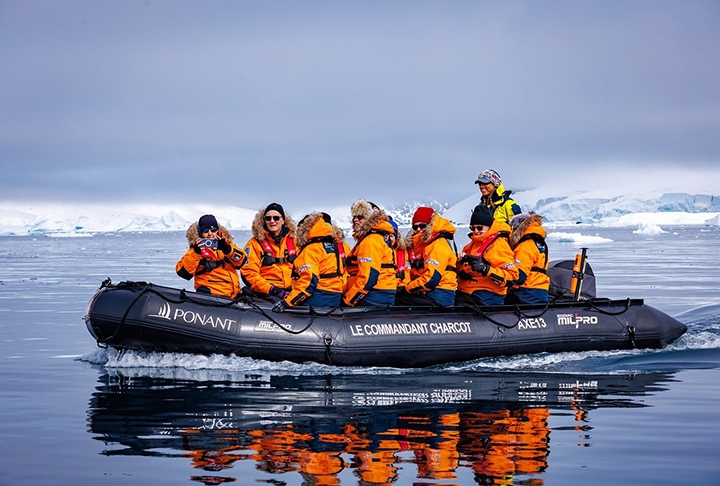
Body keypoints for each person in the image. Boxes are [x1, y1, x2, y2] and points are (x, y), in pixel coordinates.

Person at [272, 212, 345, 311]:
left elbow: (309, 281)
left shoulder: (311, 249)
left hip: (318, 298)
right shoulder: (332, 247)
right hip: (334, 297)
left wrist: (287, 302)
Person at [456, 205, 519, 306]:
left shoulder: (498, 245)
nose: (476, 231)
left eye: (479, 228)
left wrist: (486, 269)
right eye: (473, 228)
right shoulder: (469, 247)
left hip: (487, 295)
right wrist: (459, 264)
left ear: (489, 227)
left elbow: (513, 277)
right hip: (466, 292)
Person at [395, 207, 457, 307]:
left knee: (398, 300)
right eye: (415, 227)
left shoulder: (437, 245)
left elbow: (431, 279)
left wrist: (406, 289)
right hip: (429, 292)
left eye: (422, 226)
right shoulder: (424, 246)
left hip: (440, 294)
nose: (418, 229)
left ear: (430, 225)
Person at [175, 214, 247, 298]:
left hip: (232, 296)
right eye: (206, 231)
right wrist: (197, 252)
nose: (210, 234)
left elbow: (242, 261)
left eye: (213, 230)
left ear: (218, 230)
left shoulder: (226, 245)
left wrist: (226, 249)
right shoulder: (195, 250)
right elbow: (183, 272)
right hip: (211, 296)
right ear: (200, 232)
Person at [344, 200, 397, 306]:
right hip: (381, 292)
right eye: (354, 217)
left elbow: (368, 278)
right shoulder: (378, 238)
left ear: (370, 219)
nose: (355, 220)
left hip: (374, 294)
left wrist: (349, 300)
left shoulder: (371, 241)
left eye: (360, 217)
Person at [242, 203, 297, 300]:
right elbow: (249, 273)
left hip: (292, 291)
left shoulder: (295, 241)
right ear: (264, 221)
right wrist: (272, 290)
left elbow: (306, 268)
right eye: (268, 218)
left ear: (283, 220)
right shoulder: (254, 243)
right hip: (267, 293)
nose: (272, 221)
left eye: (276, 218)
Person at [506, 212, 550, 304]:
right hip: (541, 290)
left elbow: (520, 276)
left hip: (526, 292)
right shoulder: (540, 244)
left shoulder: (525, 245)